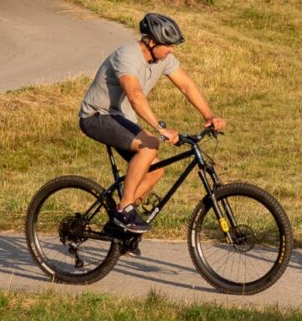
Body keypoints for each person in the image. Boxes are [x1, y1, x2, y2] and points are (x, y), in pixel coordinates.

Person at [76, 12, 227, 235]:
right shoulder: (127, 56)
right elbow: (135, 95)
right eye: (168, 45)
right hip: (98, 116)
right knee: (150, 145)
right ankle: (124, 210)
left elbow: (186, 85)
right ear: (152, 41)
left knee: (156, 169)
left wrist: (209, 116)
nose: (172, 50)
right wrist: (160, 128)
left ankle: (120, 229)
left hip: (121, 119)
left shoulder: (163, 59)